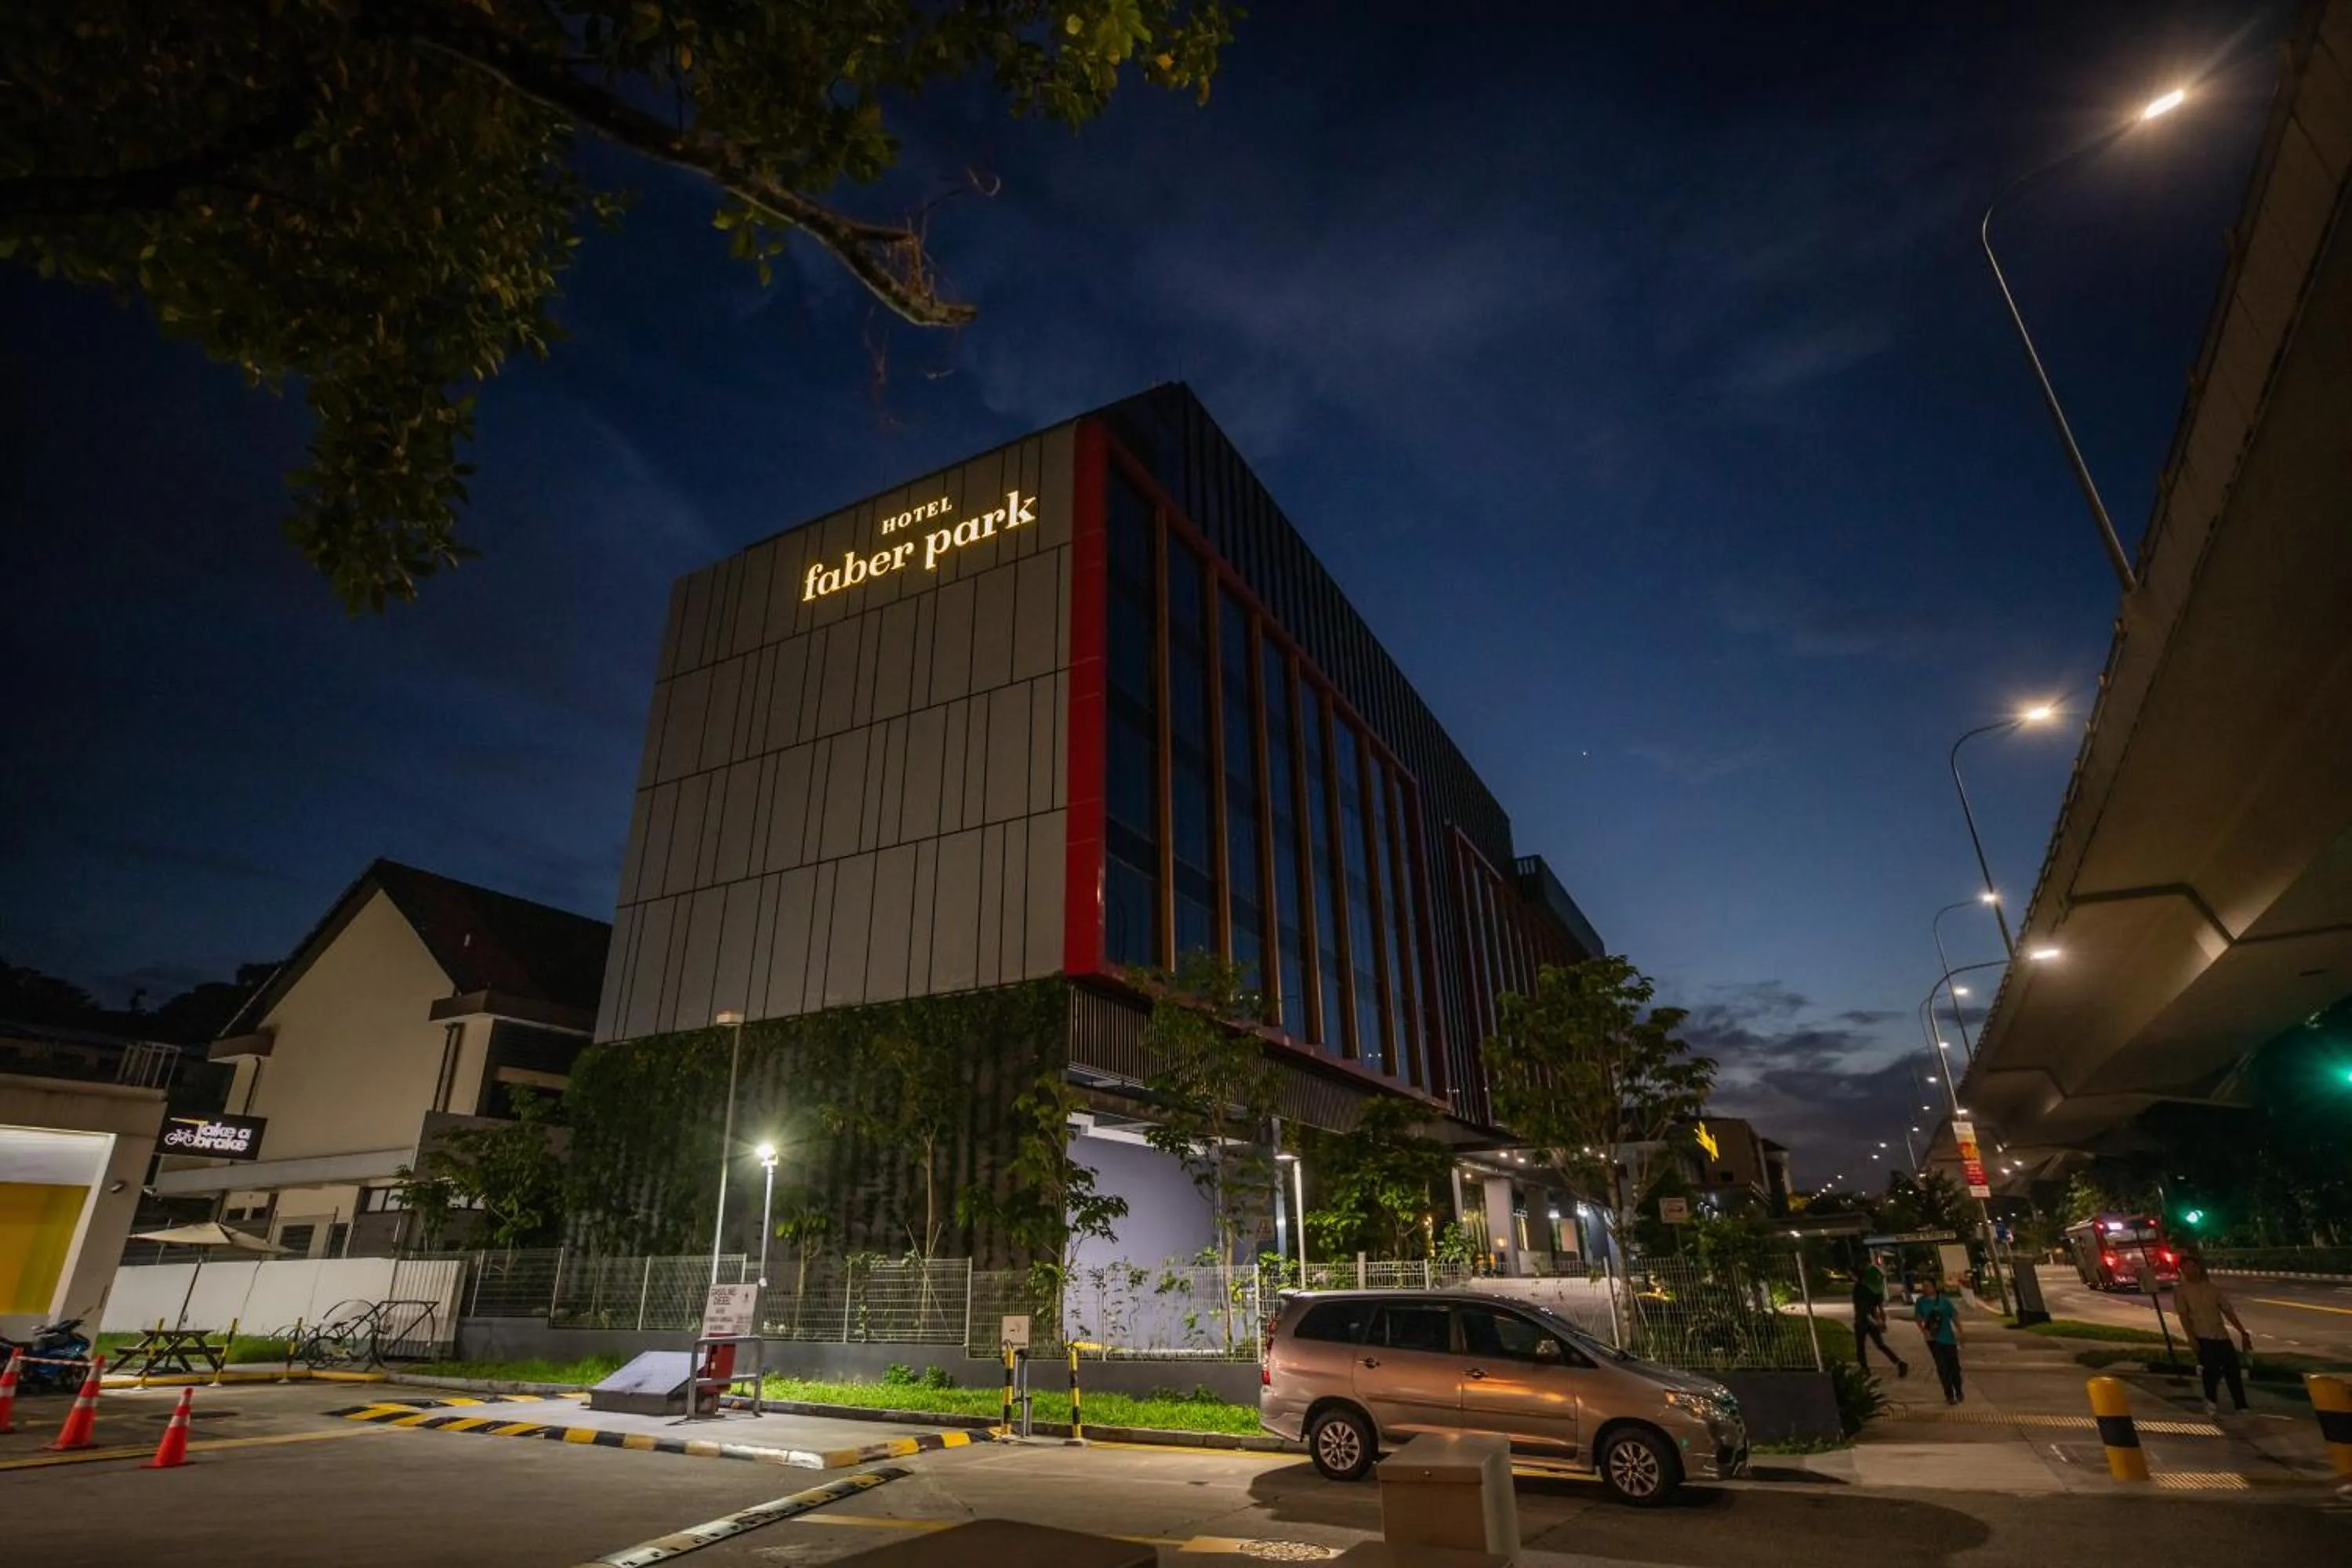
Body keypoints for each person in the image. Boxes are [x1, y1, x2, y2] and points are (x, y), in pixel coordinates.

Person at [2172, 1254, 2252, 1416]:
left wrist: (2242, 1331)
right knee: (2210, 1371)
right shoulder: (2181, 1291)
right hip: (2203, 1336)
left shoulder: (2212, 1289)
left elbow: (2227, 1311)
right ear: (2182, 1270)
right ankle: (2211, 1402)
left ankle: (2241, 1404)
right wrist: (2191, 1337)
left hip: (2221, 1335)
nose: (2190, 1270)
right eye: (2186, 1267)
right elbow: (2184, 1316)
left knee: (2233, 1370)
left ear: (2198, 1268)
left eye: (2193, 1266)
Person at [1850, 1261, 1908, 1379]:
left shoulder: (1859, 1289)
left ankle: (1864, 1369)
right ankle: (1899, 1363)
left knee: (1860, 1346)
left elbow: (1863, 1309)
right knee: (1880, 1345)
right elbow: (1880, 1309)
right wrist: (1882, 1322)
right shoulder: (1876, 1290)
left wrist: (1877, 1321)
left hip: (1862, 1320)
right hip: (1873, 1320)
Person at [1914, 1276, 1965, 1404]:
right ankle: (1949, 1395)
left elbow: (1954, 1315)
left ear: (1934, 1287)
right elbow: (1918, 1318)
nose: (1926, 1289)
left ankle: (1958, 1390)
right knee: (1942, 1367)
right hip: (1933, 1340)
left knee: (1954, 1366)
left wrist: (1960, 1331)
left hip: (1948, 1338)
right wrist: (1924, 1332)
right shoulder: (1921, 1302)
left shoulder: (1944, 1301)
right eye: (1924, 1286)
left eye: (1928, 1286)